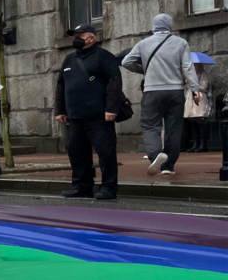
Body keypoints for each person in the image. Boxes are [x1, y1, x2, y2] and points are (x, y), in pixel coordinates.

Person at [121, 13, 201, 176]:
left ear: (154, 26)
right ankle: (168, 166)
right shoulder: (181, 43)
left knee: (150, 126)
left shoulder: (144, 43)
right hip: (175, 91)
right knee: (174, 128)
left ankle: (156, 154)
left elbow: (126, 62)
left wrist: (144, 70)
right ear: (170, 26)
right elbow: (187, 66)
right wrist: (195, 89)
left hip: (152, 91)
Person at [54, 24, 123, 200]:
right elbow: (61, 85)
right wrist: (60, 110)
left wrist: (111, 109)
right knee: (76, 152)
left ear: (91, 38)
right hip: (75, 117)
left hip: (99, 116)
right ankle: (82, 186)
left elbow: (114, 82)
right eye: (74, 36)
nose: (75, 39)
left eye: (79, 35)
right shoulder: (69, 60)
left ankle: (108, 188)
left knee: (105, 152)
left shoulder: (104, 57)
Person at [184, 63, 211, 152]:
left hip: (199, 98)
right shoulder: (190, 75)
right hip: (190, 98)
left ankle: (203, 144)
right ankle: (196, 143)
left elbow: (203, 87)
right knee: (193, 123)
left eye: (196, 65)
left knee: (201, 122)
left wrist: (193, 84)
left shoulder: (202, 74)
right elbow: (186, 87)